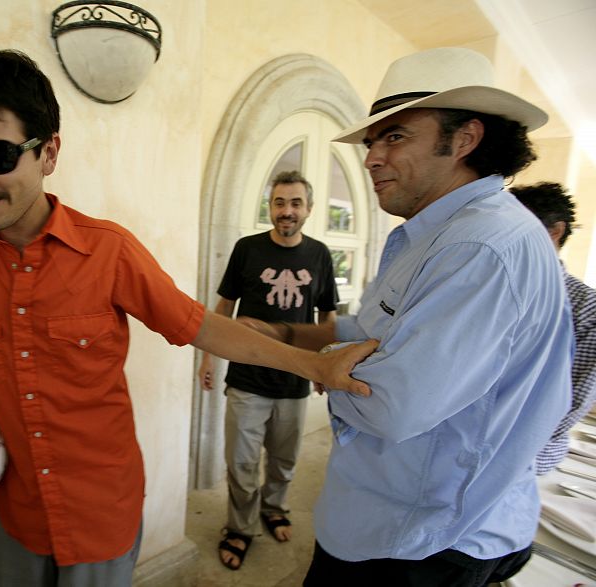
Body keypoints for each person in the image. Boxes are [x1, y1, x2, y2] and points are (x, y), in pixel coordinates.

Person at [0, 50, 376, 587]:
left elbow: (201, 324)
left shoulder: (108, 251)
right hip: (17, 507)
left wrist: (313, 366)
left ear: (48, 152)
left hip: (101, 510)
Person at [245, 47, 573, 586]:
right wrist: (287, 330)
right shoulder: (435, 235)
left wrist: (314, 361)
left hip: (421, 540)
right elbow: (369, 333)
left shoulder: (483, 247)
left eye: (395, 136)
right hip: (388, 519)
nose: (371, 157)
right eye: (373, 141)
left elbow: (389, 402)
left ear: (464, 139)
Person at [198, 170, 337, 570]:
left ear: (308, 209)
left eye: (295, 203)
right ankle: (240, 528)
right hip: (246, 377)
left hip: (293, 377)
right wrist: (209, 357)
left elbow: (327, 314)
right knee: (240, 463)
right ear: (270, 207)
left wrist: (323, 362)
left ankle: (274, 507)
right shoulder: (247, 249)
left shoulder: (320, 255)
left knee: (283, 460)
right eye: (279, 202)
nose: (287, 211)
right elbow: (223, 308)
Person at [511, 181, 596, 474]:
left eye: (517, 228)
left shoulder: (586, 307)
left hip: (527, 454)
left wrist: (513, 452)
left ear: (554, 232)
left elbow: (573, 400)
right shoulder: (495, 288)